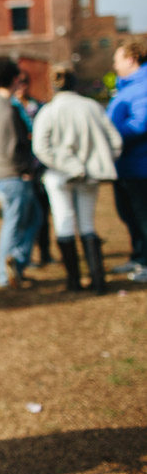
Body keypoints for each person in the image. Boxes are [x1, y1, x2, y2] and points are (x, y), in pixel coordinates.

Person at [32, 65, 122, 293]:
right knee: (87, 224)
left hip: (59, 176)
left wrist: (65, 165)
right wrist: (98, 162)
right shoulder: (91, 107)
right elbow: (115, 141)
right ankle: (97, 279)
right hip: (89, 175)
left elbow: (40, 148)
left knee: (64, 223)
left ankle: (74, 281)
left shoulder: (49, 111)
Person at [0, 59, 42, 289]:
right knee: (16, 222)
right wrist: (25, 170)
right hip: (12, 174)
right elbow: (12, 145)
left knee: (31, 218)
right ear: (14, 79)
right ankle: (7, 272)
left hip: (3, 172)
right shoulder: (6, 108)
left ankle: (15, 263)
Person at [107, 39, 147, 283]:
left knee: (143, 216)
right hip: (125, 166)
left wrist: (111, 135)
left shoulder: (142, 86)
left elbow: (141, 125)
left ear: (131, 59)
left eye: (117, 58)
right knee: (129, 214)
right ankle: (139, 257)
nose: (114, 64)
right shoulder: (127, 87)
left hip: (140, 167)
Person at [14, 70, 54, 267]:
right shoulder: (10, 108)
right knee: (25, 216)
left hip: (40, 166)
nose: (22, 86)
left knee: (43, 213)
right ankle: (24, 257)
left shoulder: (37, 106)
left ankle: (45, 252)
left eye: (25, 82)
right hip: (21, 169)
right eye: (18, 82)